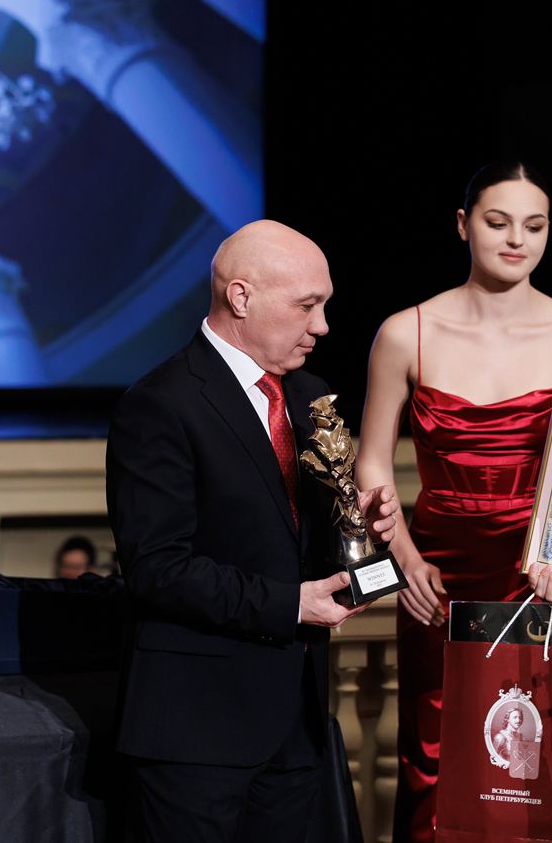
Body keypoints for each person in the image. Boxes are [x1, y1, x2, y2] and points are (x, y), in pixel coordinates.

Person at [106, 219, 400, 843]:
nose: (323, 325)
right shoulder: (160, 403)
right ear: (241, 297)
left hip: (296, 726)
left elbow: (305, 543)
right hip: (195, 734)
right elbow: (157, 568)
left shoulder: (311, 396)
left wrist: (364, 530)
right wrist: (292, 604)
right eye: (306, 306)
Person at [356, 162, 552, 843]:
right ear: (464, 225)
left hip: (538, 575)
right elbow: (371, 463)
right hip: (436, 571)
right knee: (433, 759)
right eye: (498, 222)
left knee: (535, 768)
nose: (517, 239)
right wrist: (405, 562)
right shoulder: (407, 332)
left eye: (534, 225)